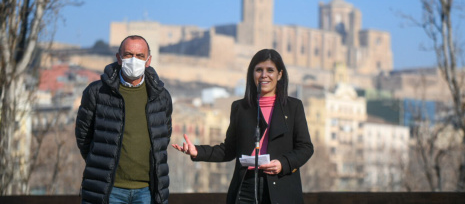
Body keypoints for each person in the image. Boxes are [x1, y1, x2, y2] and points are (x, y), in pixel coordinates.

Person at [172, 49, 314, 204]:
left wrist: (283, 163)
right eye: (259, 70)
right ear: (252, 74)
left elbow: (305, 147)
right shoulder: (240, 108)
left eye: (270, 70)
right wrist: (197, 151)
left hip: (281, 186)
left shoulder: (293, 107)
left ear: (280, 75)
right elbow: (229, 150)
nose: (264, 75)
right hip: (245, 188)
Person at [75, 35, 173, 204]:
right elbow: (83, 137)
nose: (134, 60)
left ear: (148, 61)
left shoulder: (161, 97)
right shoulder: (97, 92)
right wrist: (102, 161)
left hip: (147, 191)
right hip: (108, 189)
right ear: (119, 58)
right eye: (128, 54)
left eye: (140, 56)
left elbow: (163, 137)